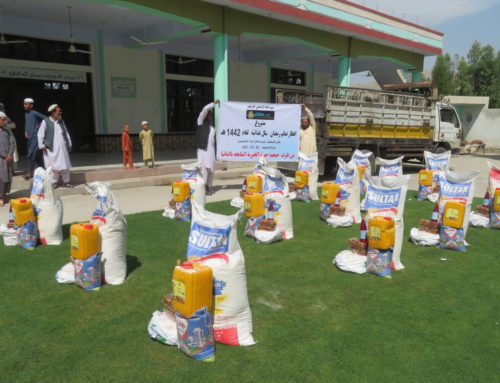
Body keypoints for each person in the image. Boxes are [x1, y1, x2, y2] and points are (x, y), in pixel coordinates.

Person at [37, 104, 72, 188]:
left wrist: (69, 144)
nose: (60, 113)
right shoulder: (46, 121)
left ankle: (66, 182)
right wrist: (41, 145)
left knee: (65, 165)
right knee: (52, 166)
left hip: (62, 147)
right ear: (53, 112)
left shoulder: (61, 121)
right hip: (51, 148)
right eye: (59, 111)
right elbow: (40, 134)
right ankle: (54, 183)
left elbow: (66, 133)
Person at [196, 99, 219, 195]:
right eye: (208, 115)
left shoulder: (213, 127)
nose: (209, 116)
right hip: (203, 151)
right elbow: (205, 109)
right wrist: (213, 104)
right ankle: (203, 187)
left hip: (211, 151)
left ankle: (208, 186)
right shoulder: (200, 122)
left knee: (211, 169)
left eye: (211, 115)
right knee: (204, 169)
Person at [23, 98, 46, 179]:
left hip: (35, 137)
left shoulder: (34, 113)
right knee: (36, 156)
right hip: (30, 137)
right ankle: (44, 170)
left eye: (26, 104)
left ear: (31, 105)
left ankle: (30, 172)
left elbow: (46, 118)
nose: (24, 105)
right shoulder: (26, 114)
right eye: (24, 104)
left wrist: (40, 124)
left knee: (31, 154)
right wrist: (26, 131)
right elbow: (27, 123)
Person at [0, 111, 15, 206]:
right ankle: (1, 197)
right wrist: (4, 155)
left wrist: (9, 154)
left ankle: (4, 195)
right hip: (1, 159)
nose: (5, 122)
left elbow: (12, 143)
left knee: (8, 178)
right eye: (3, 120)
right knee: (1, 178)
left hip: (8, 159)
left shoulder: (6, 131)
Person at [0, 102, 19, 172]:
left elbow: (13, 125)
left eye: (1, 108)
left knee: (11, 152)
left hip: (7, 135)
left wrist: (5, 126)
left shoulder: (5, 117)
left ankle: (12, 170)